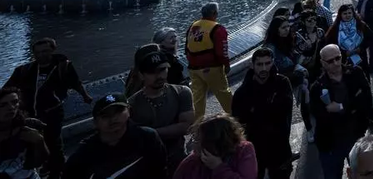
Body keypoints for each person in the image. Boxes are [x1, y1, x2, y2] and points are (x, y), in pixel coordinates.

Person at [2, 37, 92, 179]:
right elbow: (7, 88)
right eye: (38, 52)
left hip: (52, 111)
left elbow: (75, 82)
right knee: (30, 142)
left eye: (45, 51)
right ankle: (42, 166)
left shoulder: (63, 67)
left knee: (54, 142)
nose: (41, 55)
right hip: (30, 113)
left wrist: (85, 96)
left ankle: (57, 171)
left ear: (52, 50)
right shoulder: (24, 70)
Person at [126, 45, 195, 174]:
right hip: (146, 164)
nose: (159, 76)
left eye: (162, 70)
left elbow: (187, 127)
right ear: (141, 75)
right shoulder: (131, 104)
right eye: (152, 72)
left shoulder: (182, 92)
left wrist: (150, 133)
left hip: (177, 160)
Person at [64, 93, 167, 179]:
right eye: (105, 115)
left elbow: (160, 172)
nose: (113, 118)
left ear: (129, 111)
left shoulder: (147, 138)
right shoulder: (82, 157)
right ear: (95, 122)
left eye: (118, 111)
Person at [310, 45, 373, 179]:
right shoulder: (317, 87)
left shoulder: (355, 73)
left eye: (338, 58)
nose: (335, 63)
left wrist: (341, 107)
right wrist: (352, 106)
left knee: (362, 175)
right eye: (330, 61)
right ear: (322, 63)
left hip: (356, 136)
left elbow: (366, 100)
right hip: (331, 144)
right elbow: (321, 116)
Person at [231, 48, 294, 179]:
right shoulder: (242, 93)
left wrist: (254, 111)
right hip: (255, 152)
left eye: (268, 63)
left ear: (273, 63)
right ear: (252, 65)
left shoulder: (282, 83)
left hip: (280, 149)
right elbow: (238, 124)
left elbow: (283, 111)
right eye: (260, 64)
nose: (264, 68)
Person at [185, 2, 232, 121]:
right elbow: (222, 51)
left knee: (198, 98)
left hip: (193, 68)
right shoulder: (217, 28)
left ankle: (197, 123)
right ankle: (235, 118)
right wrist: (226, 65)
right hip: (212, 68)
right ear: (215, 13)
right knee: (223, 93)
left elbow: (186, 47)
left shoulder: (193, 26)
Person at [174, 114, 257, 179]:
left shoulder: (243, 151)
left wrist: (218, 167)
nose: (193, 144)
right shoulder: (191, 162)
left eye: (198, 140)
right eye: (194, 139)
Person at [0, 86, 48, 179]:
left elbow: (38, 163)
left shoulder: (29, 125)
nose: (11, 108)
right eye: (2, 105)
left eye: (15, 102)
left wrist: (39, 141)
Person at [326, 4, 373, 74]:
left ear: (353, 13)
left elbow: (371, 38)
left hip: (360, 59)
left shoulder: (360, 24)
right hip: (343, 60)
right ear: (340, 15)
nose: (347, 15)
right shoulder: (335, 27)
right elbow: (329, 43)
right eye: (345, 13)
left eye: (349, 13)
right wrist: (343, 52)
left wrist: (360, 48)